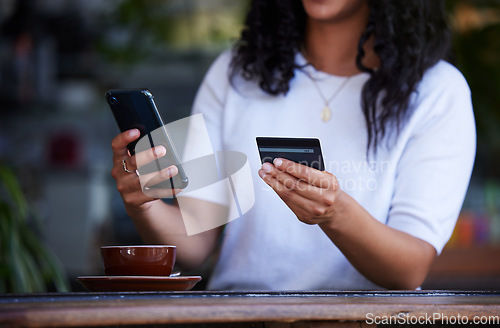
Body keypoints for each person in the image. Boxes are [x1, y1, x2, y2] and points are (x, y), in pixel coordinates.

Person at [111, 0, 476, 290]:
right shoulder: (234, 74)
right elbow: (193, 247)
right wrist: (144, 204)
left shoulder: (437, 91)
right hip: (238, 316)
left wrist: (336, 214)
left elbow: (409, 269)